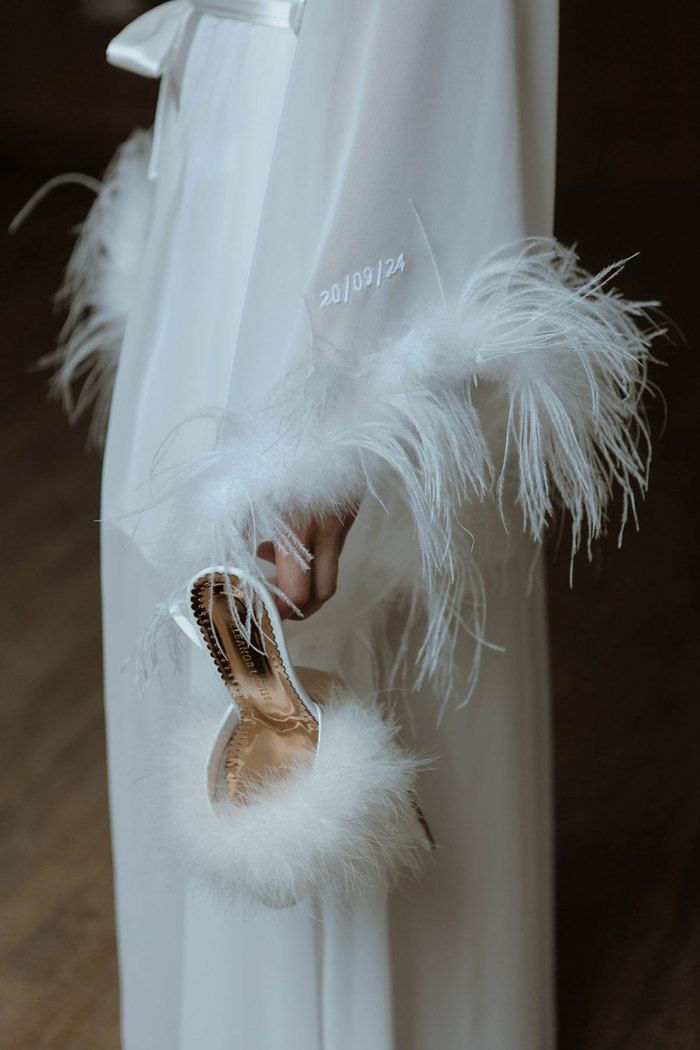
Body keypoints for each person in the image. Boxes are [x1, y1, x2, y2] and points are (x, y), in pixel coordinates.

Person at [47, 0, 659, 1047]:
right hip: (238, 157)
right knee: (229, 657)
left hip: (326, 210)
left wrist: (340, 386)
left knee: (318, 674)